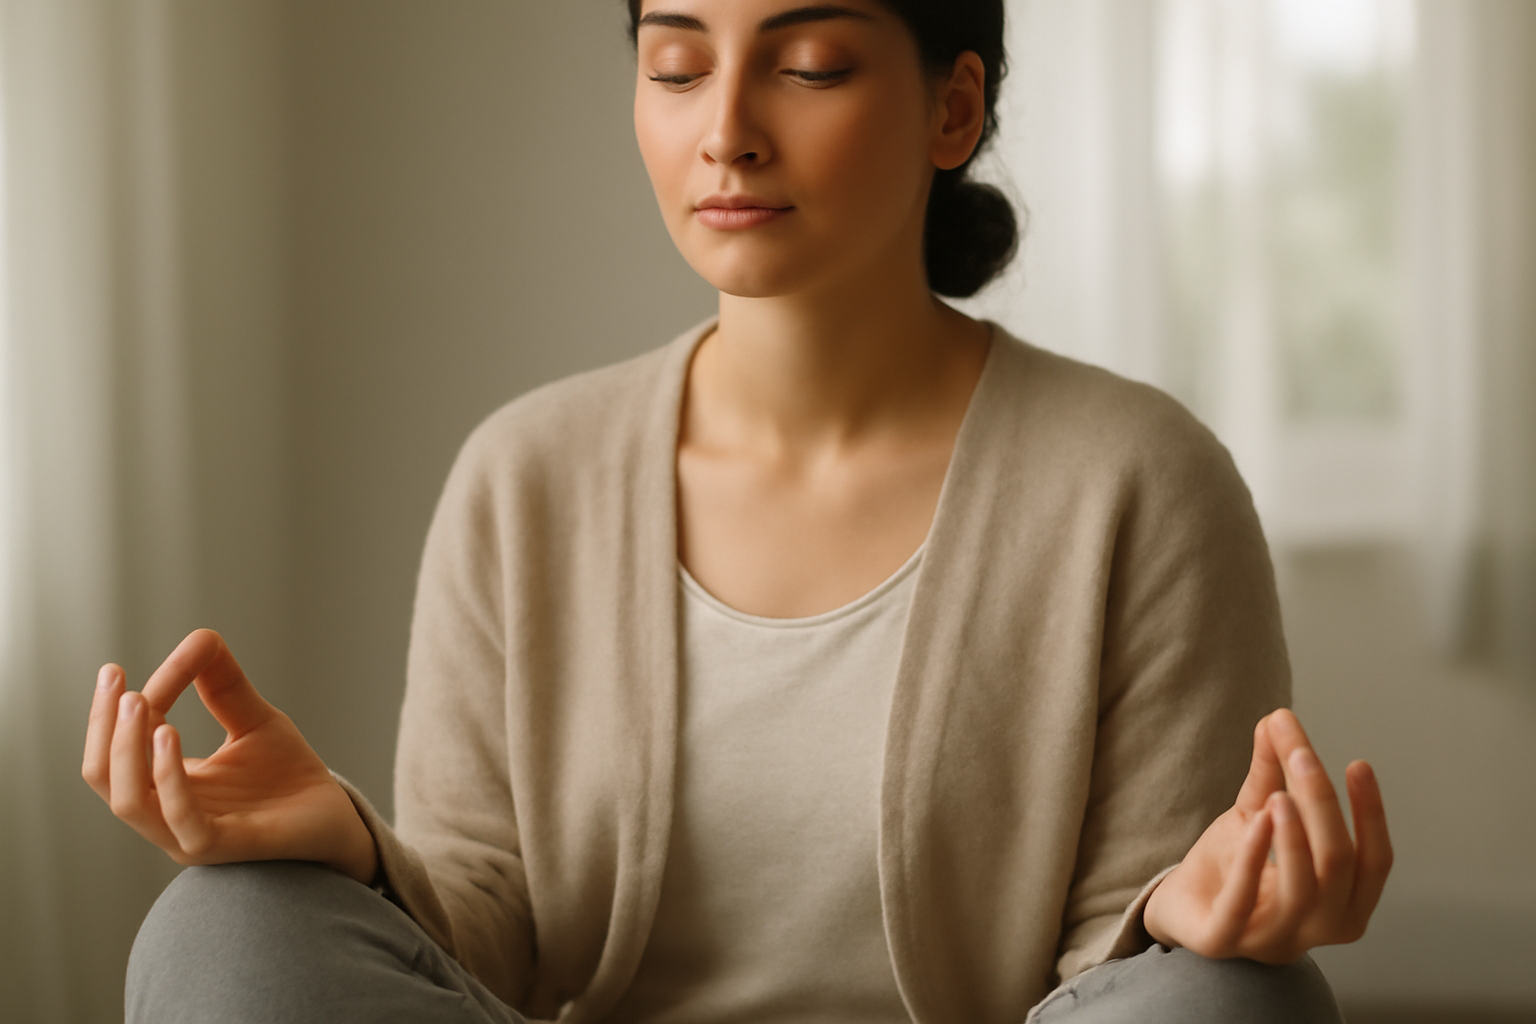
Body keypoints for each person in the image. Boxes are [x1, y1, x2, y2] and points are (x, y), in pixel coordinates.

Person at [81, 1, 1393, 1022]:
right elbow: (491, 932)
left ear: (953, 108)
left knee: (1242, 998)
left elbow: (1126, 968)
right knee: (221, 927)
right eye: (675, 65)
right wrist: (352, 849)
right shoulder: (525, 475)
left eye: (810, 63)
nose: (727, 129)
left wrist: (1200, 908)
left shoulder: (1140, 480)